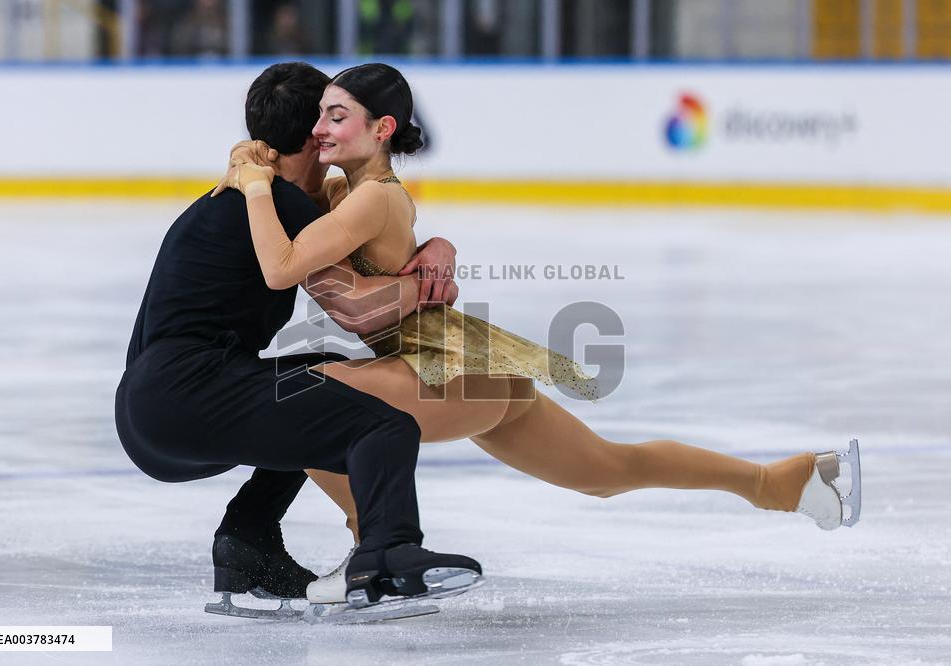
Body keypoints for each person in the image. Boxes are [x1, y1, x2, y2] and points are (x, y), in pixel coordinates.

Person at [216, 63, 862, 604]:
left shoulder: (369, 197)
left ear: (381, 128)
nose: (320, 129)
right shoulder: (350, 191)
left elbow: (289, 268)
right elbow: (327, 214)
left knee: (295, 402)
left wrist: (253, 183)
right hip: (466, 364)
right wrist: (437, 244)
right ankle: (779, 481)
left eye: (336, 116)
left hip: (444, 368)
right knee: (608, 470)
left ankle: (370, 552)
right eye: (319, 117)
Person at [115, 62, 483, 611]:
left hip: (149, 408)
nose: (333, 129)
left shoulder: (250, 196)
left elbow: (341, 208)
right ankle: (387, 554)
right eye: (327, 117)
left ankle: (247, 541)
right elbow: (357, 306)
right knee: (382, 424)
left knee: (322, 375)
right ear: (314, 132)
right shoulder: (279, 205)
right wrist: (426, 287)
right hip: (186, 396)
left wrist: (439, 244)